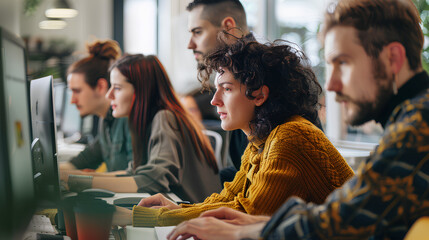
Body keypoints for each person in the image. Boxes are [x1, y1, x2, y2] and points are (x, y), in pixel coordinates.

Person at [166, 0, 429, 239]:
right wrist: (253, 227)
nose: (333, 85)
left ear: (393, 58)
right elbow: (344, 211)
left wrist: (242, 233)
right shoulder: (408, 119)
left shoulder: (418, 125)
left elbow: (344, 220)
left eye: (344, 63)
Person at [111, 38, 354, 227]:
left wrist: (150, 217)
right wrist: (177, 209)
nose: (214, 100)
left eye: (226, 89)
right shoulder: (261, 139)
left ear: (259, 94)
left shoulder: (290, 137)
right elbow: (229, 199)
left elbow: (247, 214)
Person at [61, 54, 221, 203]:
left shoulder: (165, 117)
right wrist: (73, 177)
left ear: (140, 91)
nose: (109, 95)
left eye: (117, 88)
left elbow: (153, 180)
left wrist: (77, 181)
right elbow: (135, 172)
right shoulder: (145, 122)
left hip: (196, 219)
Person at [186, 0, 255, 184]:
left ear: (228, 27)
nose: (190, 44)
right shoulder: (237, 69)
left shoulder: (260, 74)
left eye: (198, 32)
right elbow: (243, 170)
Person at [59, 40, 133, 172]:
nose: (72, 100)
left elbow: (135, 176)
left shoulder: (126, 119)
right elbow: (84, 160)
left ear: (100, 87)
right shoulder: (105, 122)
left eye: (77, 91)